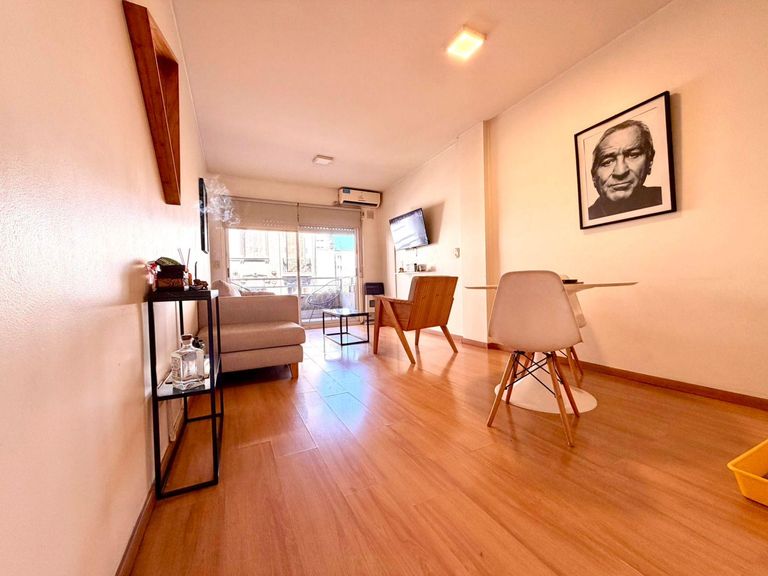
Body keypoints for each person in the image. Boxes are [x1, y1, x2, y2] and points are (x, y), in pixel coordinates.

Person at [588, 119, 662, 219]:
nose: (620, 171)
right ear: (594, 176)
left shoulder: (663, 197)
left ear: (649, 162)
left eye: (633, 155)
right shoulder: (588, 216)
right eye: (607, 162)